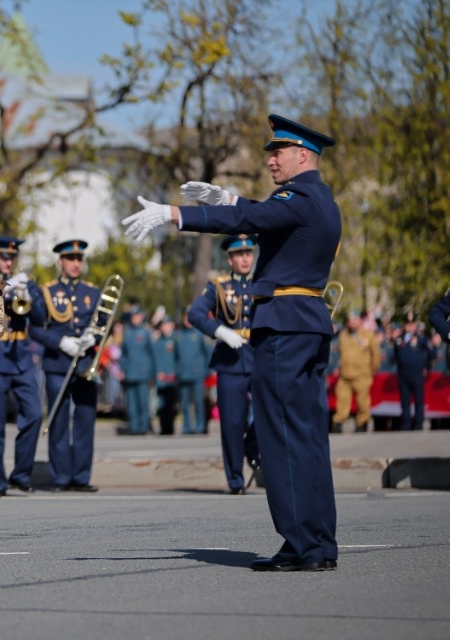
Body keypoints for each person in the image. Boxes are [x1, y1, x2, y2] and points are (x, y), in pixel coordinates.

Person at [123, 114, 340, 571]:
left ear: (303, 155)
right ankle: (318, 542)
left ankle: (300, 545)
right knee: (308, 438)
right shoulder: (321, 199)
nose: (270, 160)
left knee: (280, 436)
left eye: (277, 152)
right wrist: (228, 197)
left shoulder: (298, 196)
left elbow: (253, 217)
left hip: (282, 325)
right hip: (308, 323)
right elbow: (263, 215)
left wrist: (174, 214)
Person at [188, 235, 261, 494]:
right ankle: (235, 480)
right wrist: (219, 330)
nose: (245, 258)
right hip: (230, 360)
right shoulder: (218, 286)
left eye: (249, 253)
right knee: (231, 423)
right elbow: (194, 314)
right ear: (230, 259)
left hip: (259, 356)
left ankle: (252, 448)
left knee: (268, 413)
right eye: (239, 254)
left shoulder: (262, 284)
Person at [29, 239, 102, 492]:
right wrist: (61, 341)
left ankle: (81, 477)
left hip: (85, 364)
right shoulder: (46, 291)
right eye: (71, 259)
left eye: (79, 259)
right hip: (58, 363)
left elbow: (104, 323)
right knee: (58, 420)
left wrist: (94, 337)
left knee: (85, 419)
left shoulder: (93, 292)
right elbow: (36, 330)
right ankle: (60, 477)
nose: (75, 264)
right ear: (60, 262)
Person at [0, 236, 46, 499]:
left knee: (35, 414)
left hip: (20, 357)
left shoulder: (25, 282)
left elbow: (40, 319)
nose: (8, 261)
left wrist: (30, 296)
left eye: (11, 257)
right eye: (4, 256)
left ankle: (20, 474)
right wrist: (4, 290)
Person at [332, 310, 381, 433]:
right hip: (345, 374)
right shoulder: (343, 334)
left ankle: (361, 423)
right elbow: (339, 352)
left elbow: (376, 354)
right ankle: (338, 422)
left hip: (362, 375)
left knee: (362, 402)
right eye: (350, 320)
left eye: (355, 319)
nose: (352, 322)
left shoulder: (368, 335)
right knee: (342, 401)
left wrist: (372, 370)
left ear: (359, 320)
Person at [119, 303, 155, 435]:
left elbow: (152, 354)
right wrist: (122, 369)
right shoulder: (127, 332)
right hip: (130, 372)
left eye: (137, 316)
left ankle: (144, 427)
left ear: (141, 316)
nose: (135, 318)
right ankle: (134, 427)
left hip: (143, 372)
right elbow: (124, 354)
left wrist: (152, 373)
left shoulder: (145, 332)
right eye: (133, 316)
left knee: (143, 402)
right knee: (132, 403)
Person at [174, 312, 211, 435]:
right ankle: (187, 426)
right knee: (184, 403)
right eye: (185, 319)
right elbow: (175, 356)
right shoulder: (178, 335)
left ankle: (201, 426)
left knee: (198, 402)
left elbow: (207, 353)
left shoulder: (199, 334)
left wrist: (207, 371)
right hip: (183, 374)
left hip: (197, 373)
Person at [393, 311, 431, 431]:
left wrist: (427, 367)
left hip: (417, 373)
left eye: (412, 323)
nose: (410, 326)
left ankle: (418, 424)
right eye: (407, 323)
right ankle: (405, 424)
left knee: (419, 400)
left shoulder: (422, 340)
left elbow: (431, 354)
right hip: (404, 374)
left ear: (415, 324)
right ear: (404, 325)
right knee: (405, 401)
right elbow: (395, 355)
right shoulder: (399, 340)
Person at [151, 316, 178, 435]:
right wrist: (158, 372)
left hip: (172, 378)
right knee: (161, 405)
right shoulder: (158, 341)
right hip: (161, 378)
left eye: (167, 324)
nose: (165, 327)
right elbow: (156, 359)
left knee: (171, 404)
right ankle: (164, 427)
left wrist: (175, 372)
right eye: (163, 325)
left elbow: (178, 359)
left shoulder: (176, 340)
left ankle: (170, 427)